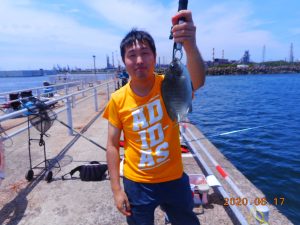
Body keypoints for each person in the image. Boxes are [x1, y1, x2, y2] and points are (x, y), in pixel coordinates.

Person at [102, 10, 205, 225]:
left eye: (145, 53)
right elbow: (112, 145)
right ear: (124, 61)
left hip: (174, 178)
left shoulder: (170, 82)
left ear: (155, 57)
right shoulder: (117, 99)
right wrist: (116, 190)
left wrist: (190, 44)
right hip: (137, 183)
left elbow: (198, 80)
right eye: (131, 55)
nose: (139, 60)